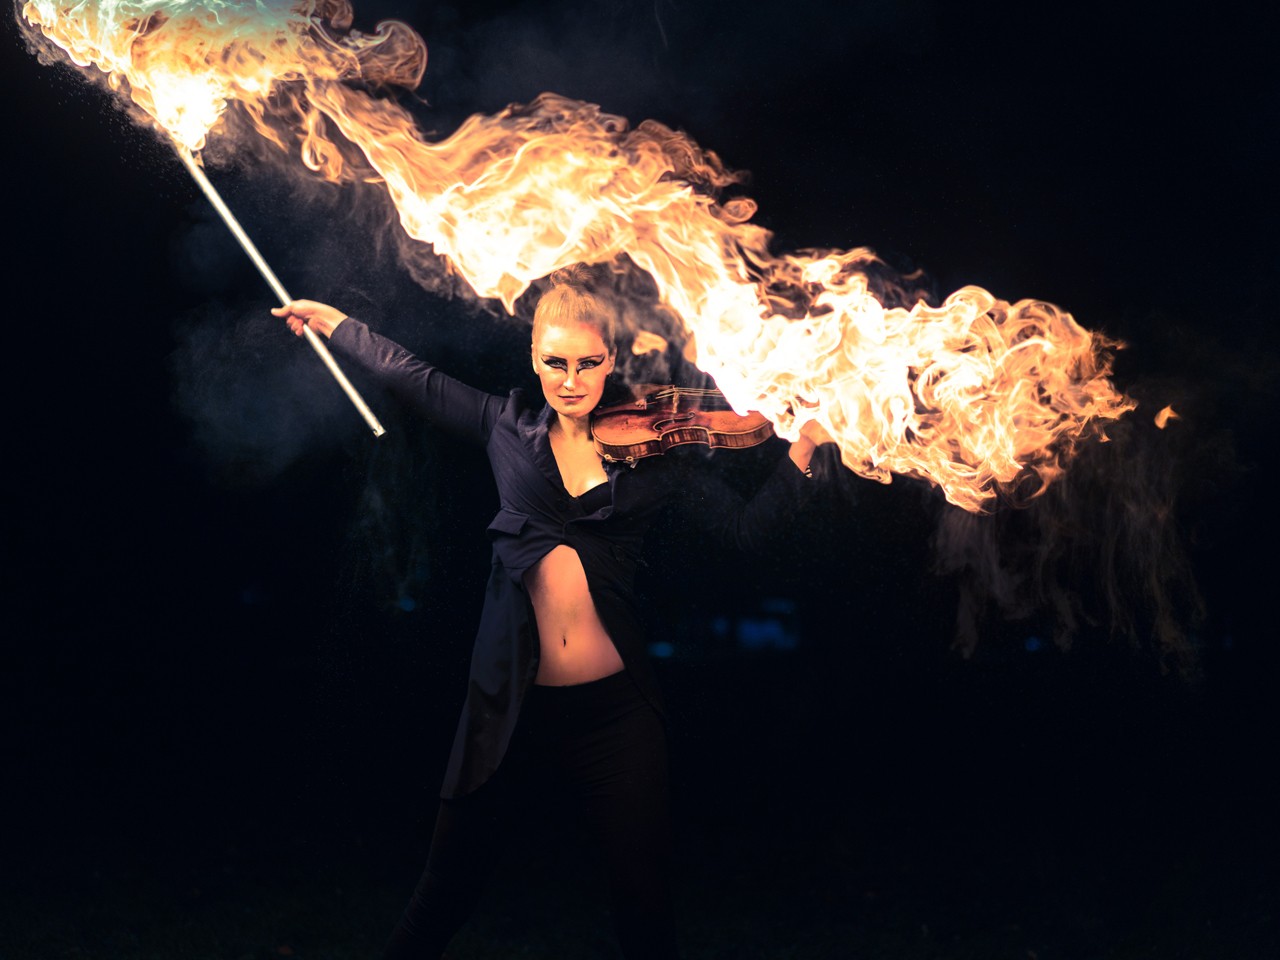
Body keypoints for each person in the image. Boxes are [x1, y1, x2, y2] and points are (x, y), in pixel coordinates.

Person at [273, 265, 827, 959]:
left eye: (588, 363)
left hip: (616, 715)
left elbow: (744, 534)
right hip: (512, 709)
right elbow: (411, 375)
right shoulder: (503, 426)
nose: (571, 380)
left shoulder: (655, 448)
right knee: (442, 896)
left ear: (611, 360)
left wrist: (804, 451)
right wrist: (334, 323)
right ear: (534, 358)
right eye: (556, 363)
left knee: (645, 909)